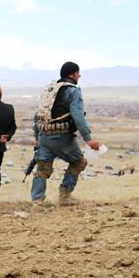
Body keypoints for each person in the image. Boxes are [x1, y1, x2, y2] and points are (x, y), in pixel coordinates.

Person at [31, 62, 100, 204]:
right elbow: (78, 116)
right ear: (72, 74)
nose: (79, 76)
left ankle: (37, 200)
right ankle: (64, 195)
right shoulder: (73, 91)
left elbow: (38, 114)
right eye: (78, 73)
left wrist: (37, 136)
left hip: (44, 136)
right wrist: (88, 139)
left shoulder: (50, 90)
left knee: (43, 168)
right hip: (61, 137)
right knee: (79, 162)